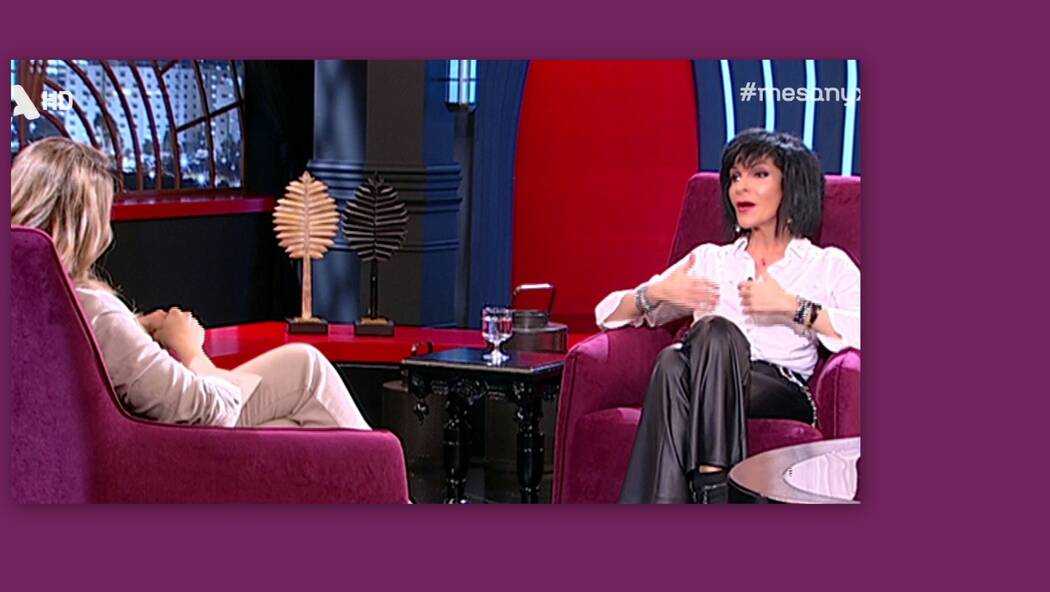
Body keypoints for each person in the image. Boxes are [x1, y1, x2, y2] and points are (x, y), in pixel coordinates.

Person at [11, 137, 370, 430]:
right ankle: (383, 487)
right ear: (85, 225)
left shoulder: (29, 301)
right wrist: (189, 348)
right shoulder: (95, 311)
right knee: (309, 376)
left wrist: (135, 327)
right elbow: (208, 411)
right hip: (174, 448)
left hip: (132, 441)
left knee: (299, 385)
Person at [595, 129, 860, 503]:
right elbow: (606, 313)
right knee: (675, 360)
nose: (741, 187)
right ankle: (712, 493)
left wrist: (793, 306)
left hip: (780, 387)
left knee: (701, 343)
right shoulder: (710, 260)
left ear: (792, 187)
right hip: (701, 376)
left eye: (759, 174)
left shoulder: (824, 264)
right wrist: (655, 294)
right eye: (735, 177)